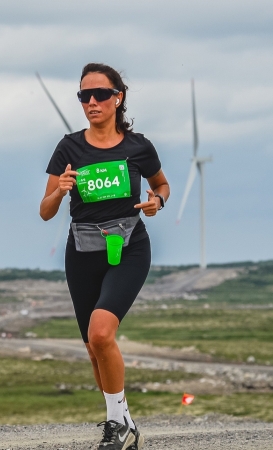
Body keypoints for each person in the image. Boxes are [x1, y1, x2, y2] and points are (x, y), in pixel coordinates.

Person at [40, 63, 169, 450]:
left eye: (99, 95)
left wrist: (156, 201)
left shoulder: (138, 146)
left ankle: (117, 427)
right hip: (82, 252)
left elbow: (160, 184)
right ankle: (124, 419)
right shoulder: (68, 147)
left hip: (129, 248)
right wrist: (60, 190)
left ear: (118, 98)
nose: (91, 102)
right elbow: (45, 210)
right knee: (94, 348)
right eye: (84, 96)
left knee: (101, 332)